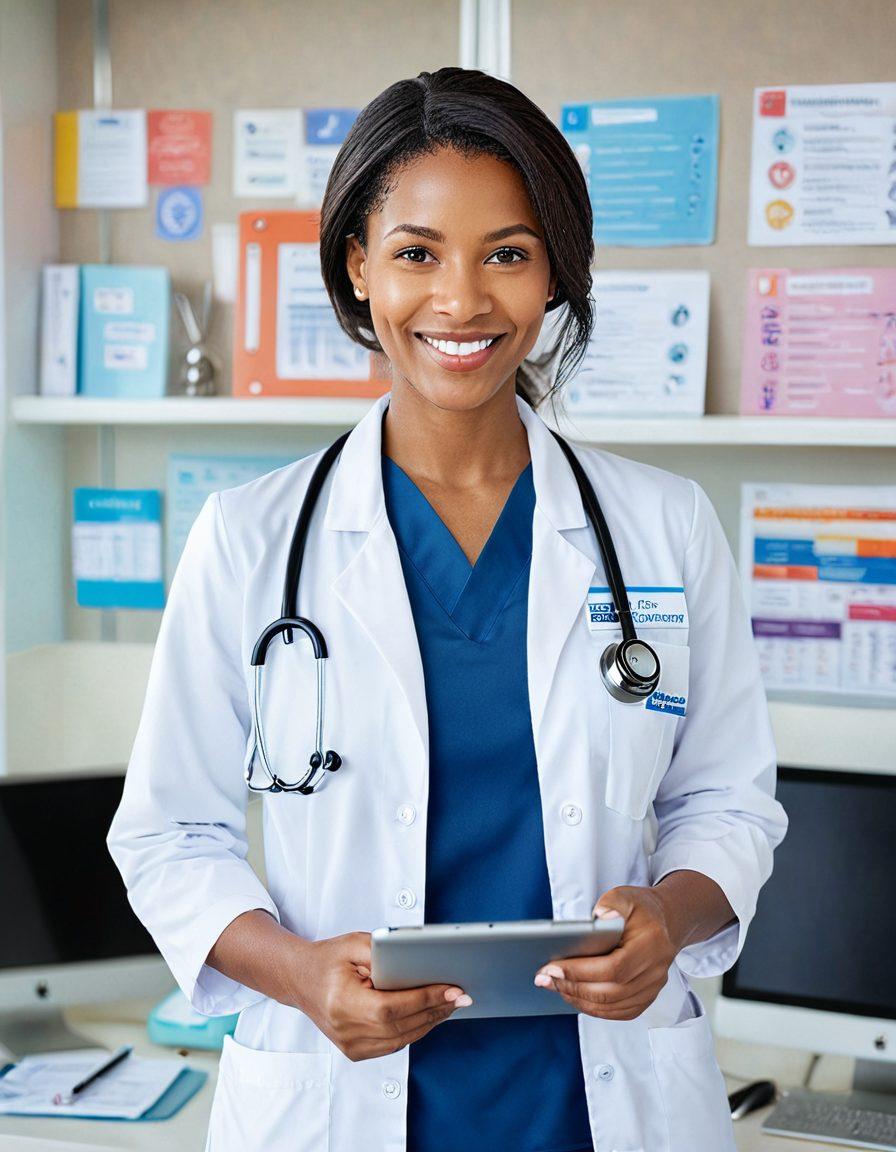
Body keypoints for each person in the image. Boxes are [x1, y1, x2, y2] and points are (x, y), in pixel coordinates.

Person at [107, 67, 787, 1152]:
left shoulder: (663, 527)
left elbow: (727, 801)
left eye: (506, 254)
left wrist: (671, 915)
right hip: (339, 1096)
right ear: (358, 267)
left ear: (554, 272)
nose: (461, 301)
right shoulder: (248, 540)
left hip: (598, 1101)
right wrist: (297, 973)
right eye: (417, 253)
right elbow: (168, 834)